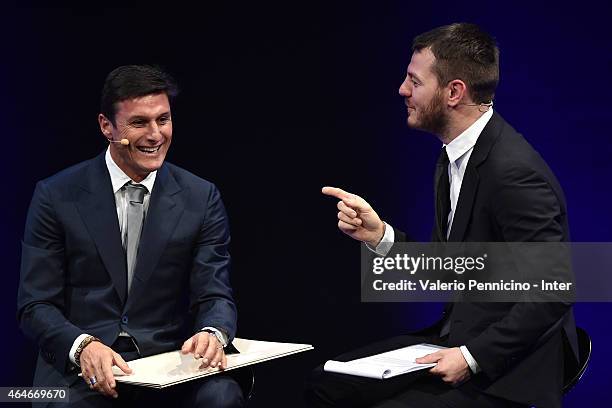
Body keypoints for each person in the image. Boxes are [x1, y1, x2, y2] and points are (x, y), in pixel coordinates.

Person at [306, 23, 578, 408]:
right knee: (325, 383)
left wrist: (471, 358)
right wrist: (380, 236)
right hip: (458, 337)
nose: (402, 89)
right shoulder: (452, 157)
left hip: (509, 366)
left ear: (454, 92)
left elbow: (554, 291)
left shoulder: (513, 172)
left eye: (414, 81)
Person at [18, 65, 245, 407]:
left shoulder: (201, 197)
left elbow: (215, 293)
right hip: (82, 370)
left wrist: (212, 331)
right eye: (139, 123)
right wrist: (83, 346)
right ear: (106, 126)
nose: (155, 135)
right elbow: (35, 305)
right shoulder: (56, 196)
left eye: (163, 120)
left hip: (168, 364)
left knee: (222, 396)